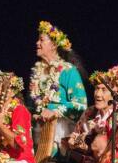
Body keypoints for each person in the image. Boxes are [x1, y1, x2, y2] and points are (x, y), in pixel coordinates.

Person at [29, 20, 87, 155]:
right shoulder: (37, 73)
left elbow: (81, 105)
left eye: (41, 40)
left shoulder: (68, 71)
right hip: (38, 133)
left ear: (54, 45)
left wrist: (54, 110)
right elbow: (35, 105)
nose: (37, 43)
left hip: (60, 132)